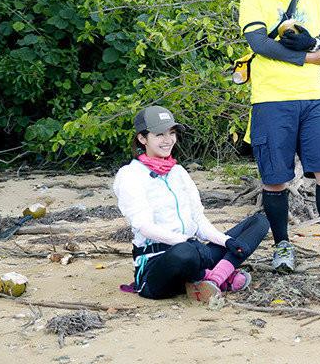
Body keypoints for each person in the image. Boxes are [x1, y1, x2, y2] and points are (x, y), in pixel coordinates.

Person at [238, 0, 320, 272]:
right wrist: (303, 59)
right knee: (275, 177)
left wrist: (313, 43)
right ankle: (283, 245)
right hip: (271, 99)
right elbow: (258, 43)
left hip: (314, 98)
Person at [113, 106, 269, 302]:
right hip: (159, 265)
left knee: (259, 222)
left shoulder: (178, 172)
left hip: (195, 252)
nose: (168, 140)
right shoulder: (129, 175)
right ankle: (216, 274)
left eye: (171, 133)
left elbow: (198, 220)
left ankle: (213, 279)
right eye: (159, 134)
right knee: (185, 253)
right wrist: (187, 242)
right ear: (142, 139)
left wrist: (226, 242)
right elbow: (144, 227)